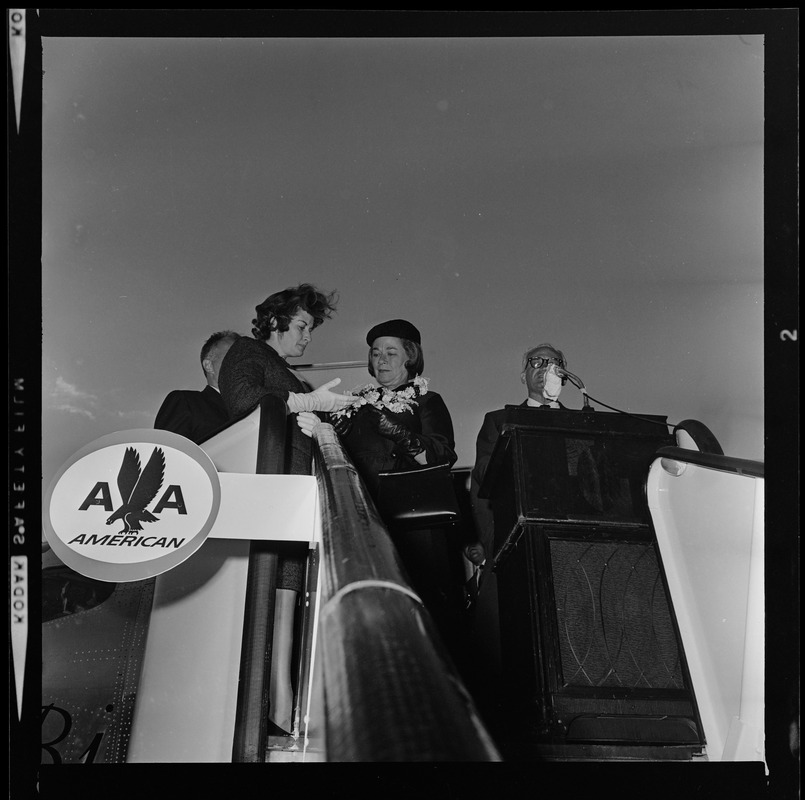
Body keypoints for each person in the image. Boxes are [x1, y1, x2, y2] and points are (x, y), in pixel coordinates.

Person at [217, 283, 351, 735]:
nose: (307, 337)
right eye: (301, 326)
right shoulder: (247, 353)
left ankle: (285, 716)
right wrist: (306, 402)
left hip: (292, 497)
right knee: (269, 604)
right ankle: (270, 719)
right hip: (267, 493)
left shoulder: (288, 372)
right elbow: (241, 402)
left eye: (310, 328)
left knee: (288, 604)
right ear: (274, 322)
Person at [300, 318, 465, 657]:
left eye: (392, 352)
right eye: (376, 353)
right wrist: (322, 427)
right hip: (369, 519)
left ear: (410, 357)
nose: (382, 360)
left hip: (417, 526)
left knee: (429, 618)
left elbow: (440, 457)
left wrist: (396, 430)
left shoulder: (428, 401)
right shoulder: (355, 403)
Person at [469, 343, 570, 562]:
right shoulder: (499, 421)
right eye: (537, 362)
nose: (545, 368)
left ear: (563, 376)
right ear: (524, 377)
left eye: (554, 363)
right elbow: (484, 476)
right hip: (518, 536)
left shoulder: (580, 424)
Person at [154, 330, 239, 444]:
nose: (243, 363)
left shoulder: (258, 410)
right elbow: (169, 456)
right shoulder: (186, 402)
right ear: (208, 365)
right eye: (234, 356)